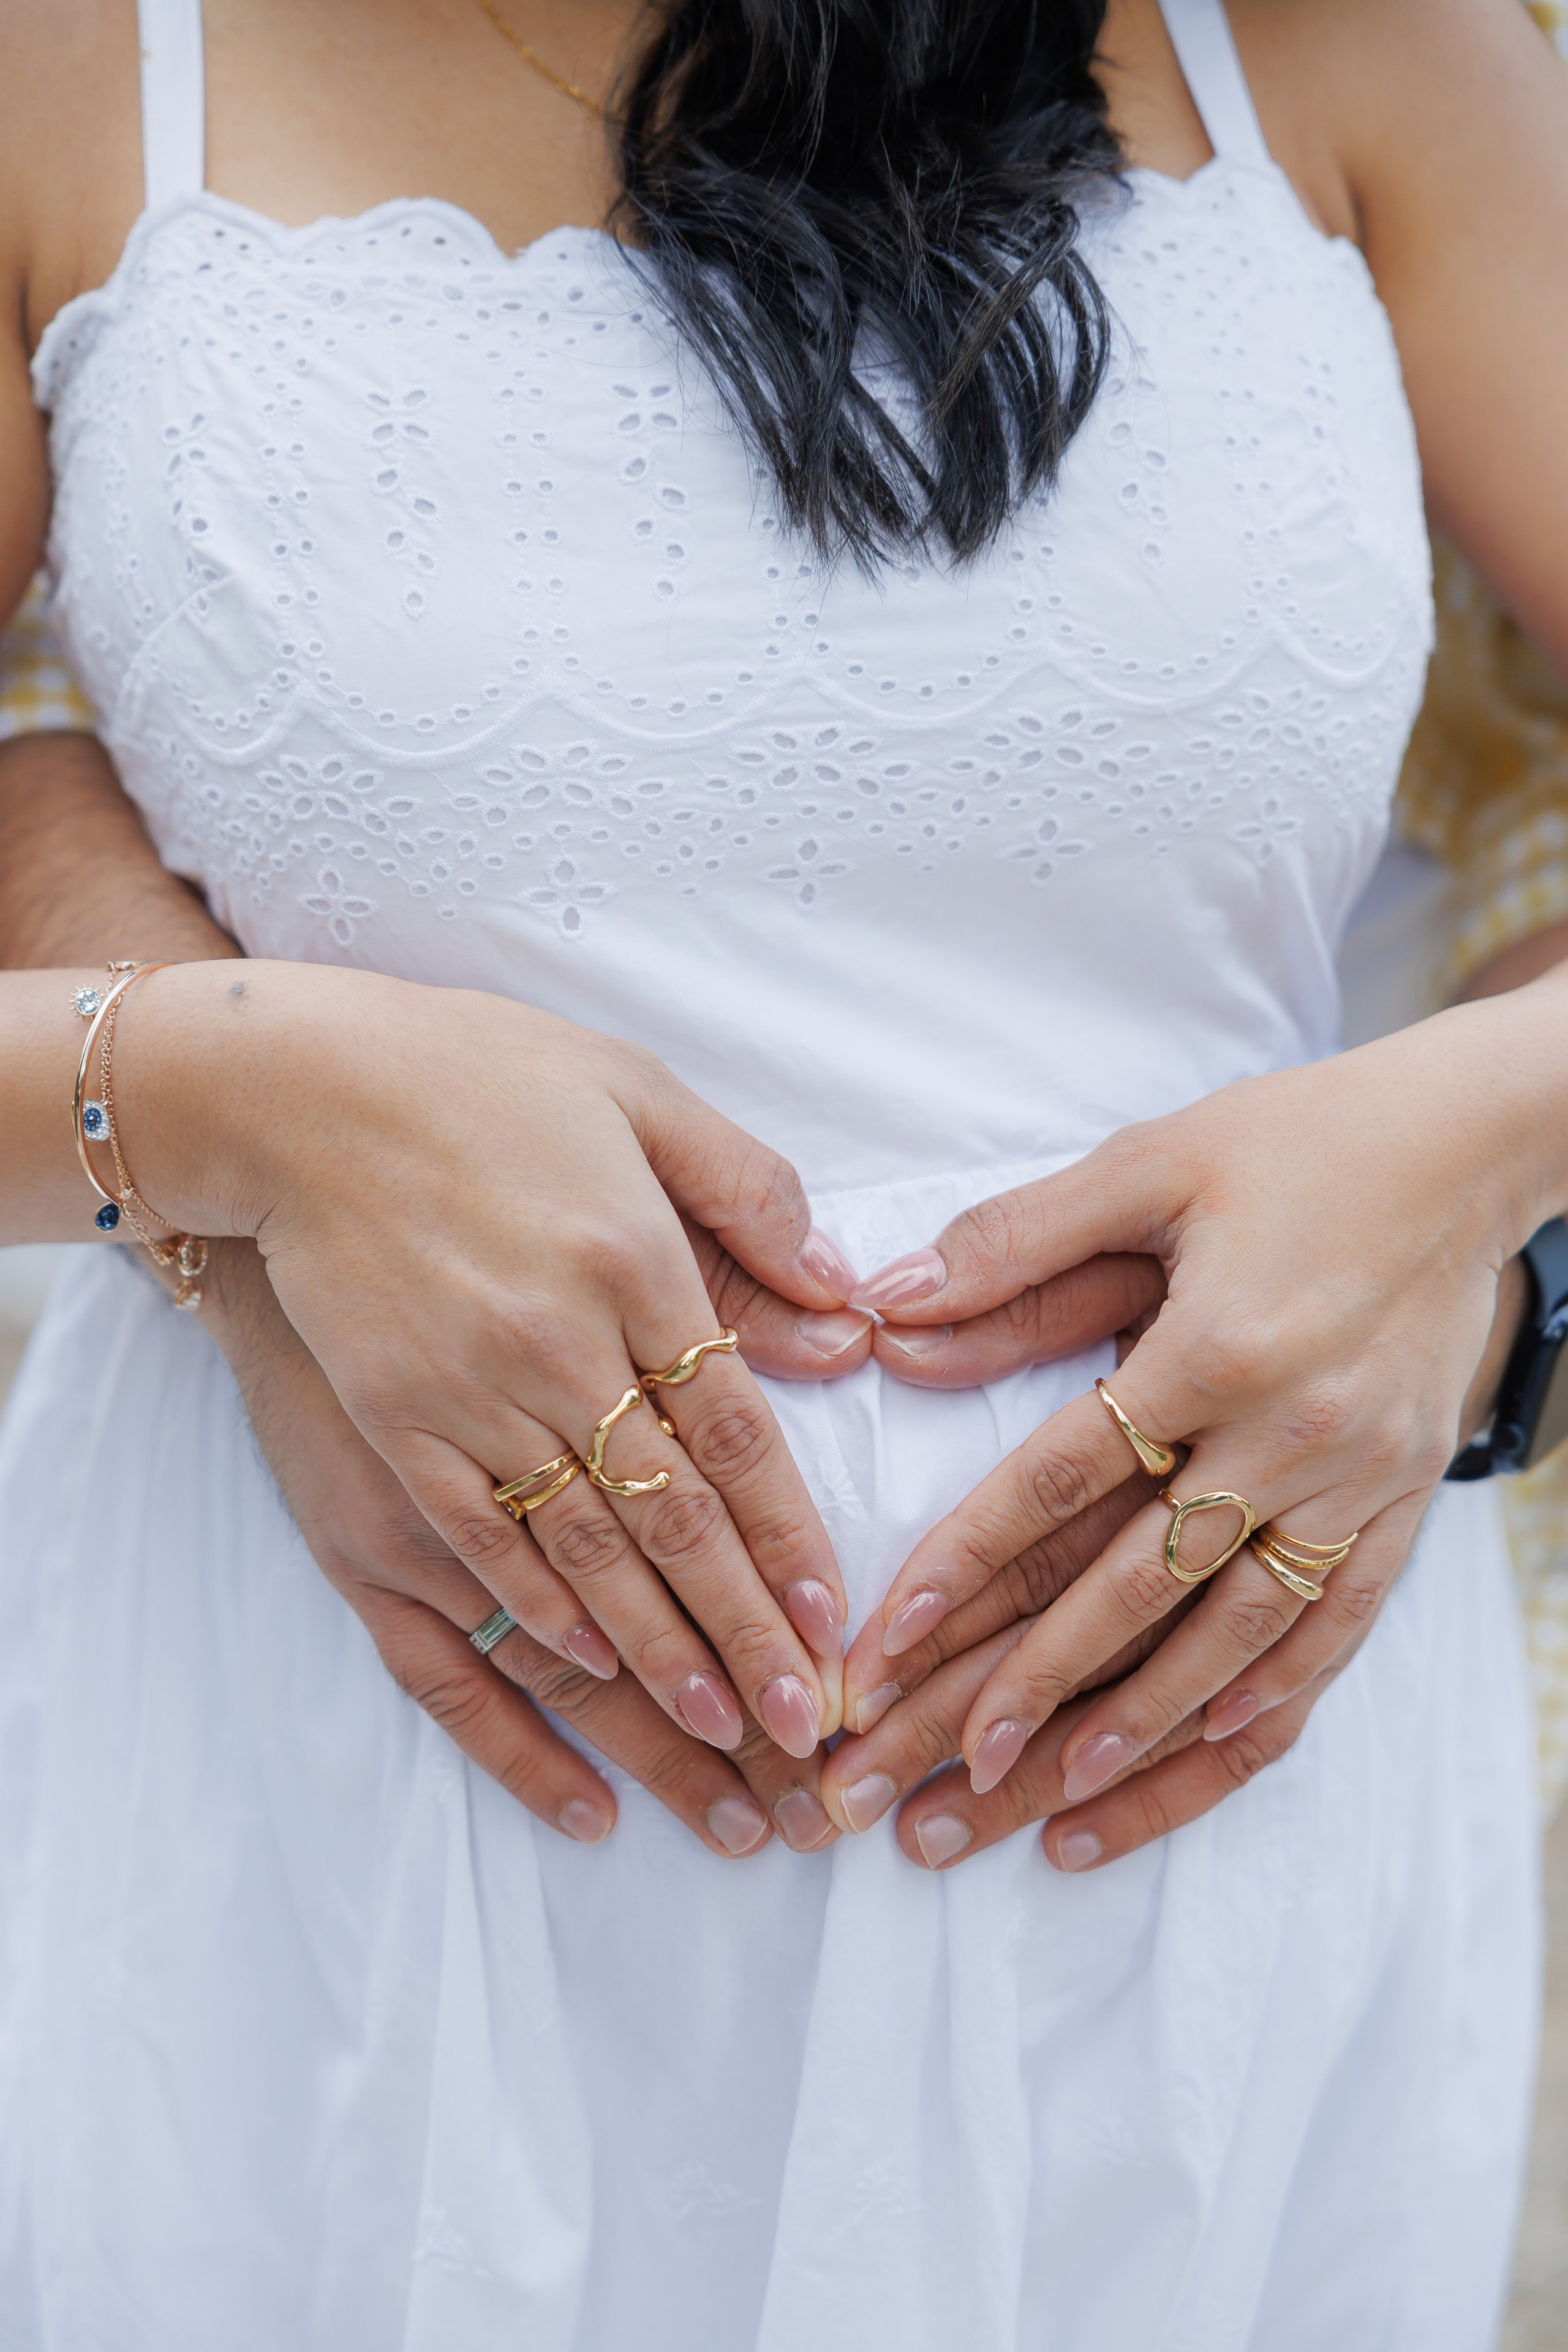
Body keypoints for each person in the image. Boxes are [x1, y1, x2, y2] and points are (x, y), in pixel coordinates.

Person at [2, 1, 1567, 2345]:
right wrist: (234, 1113)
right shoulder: (74, 61)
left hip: (1201, 1883)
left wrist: (1489, 1152)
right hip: (347, 1856)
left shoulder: (1358, 48)